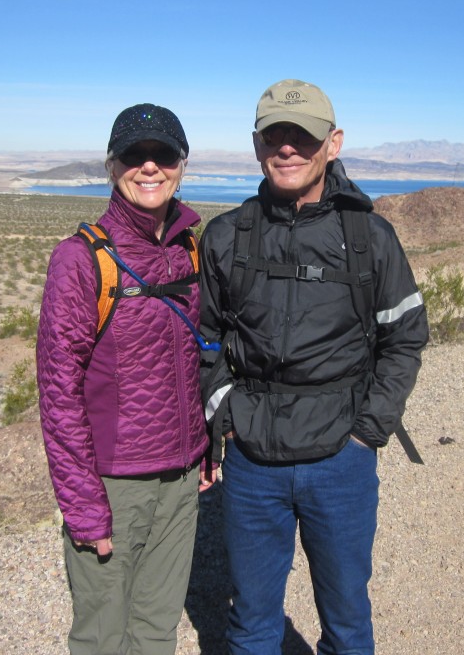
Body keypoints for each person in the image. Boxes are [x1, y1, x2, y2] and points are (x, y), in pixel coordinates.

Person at [199, 79, 429, 654]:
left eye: (303, 136)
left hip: (340, 461)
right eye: (275, 134)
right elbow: (202, 337)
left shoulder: (369, 237)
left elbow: (405, 337)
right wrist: (224, 410)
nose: (288, 148)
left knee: (348, 623)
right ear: (257, 145)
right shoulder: (228, 236)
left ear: (333, 143)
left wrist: (366, 432)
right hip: (254, 462)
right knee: (252, 623)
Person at [37, 103, 213, 655]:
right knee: (102, 637)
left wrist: (206, 447)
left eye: (163, 155)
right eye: (135, 156)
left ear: (181, 164)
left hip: (181, 479)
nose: (149, 167)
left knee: (157, 630)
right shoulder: (81, 260)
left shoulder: (190, 246)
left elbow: (197, 358)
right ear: (112, 167)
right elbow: (57, 393)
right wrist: (84, 504)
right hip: (114, 482)